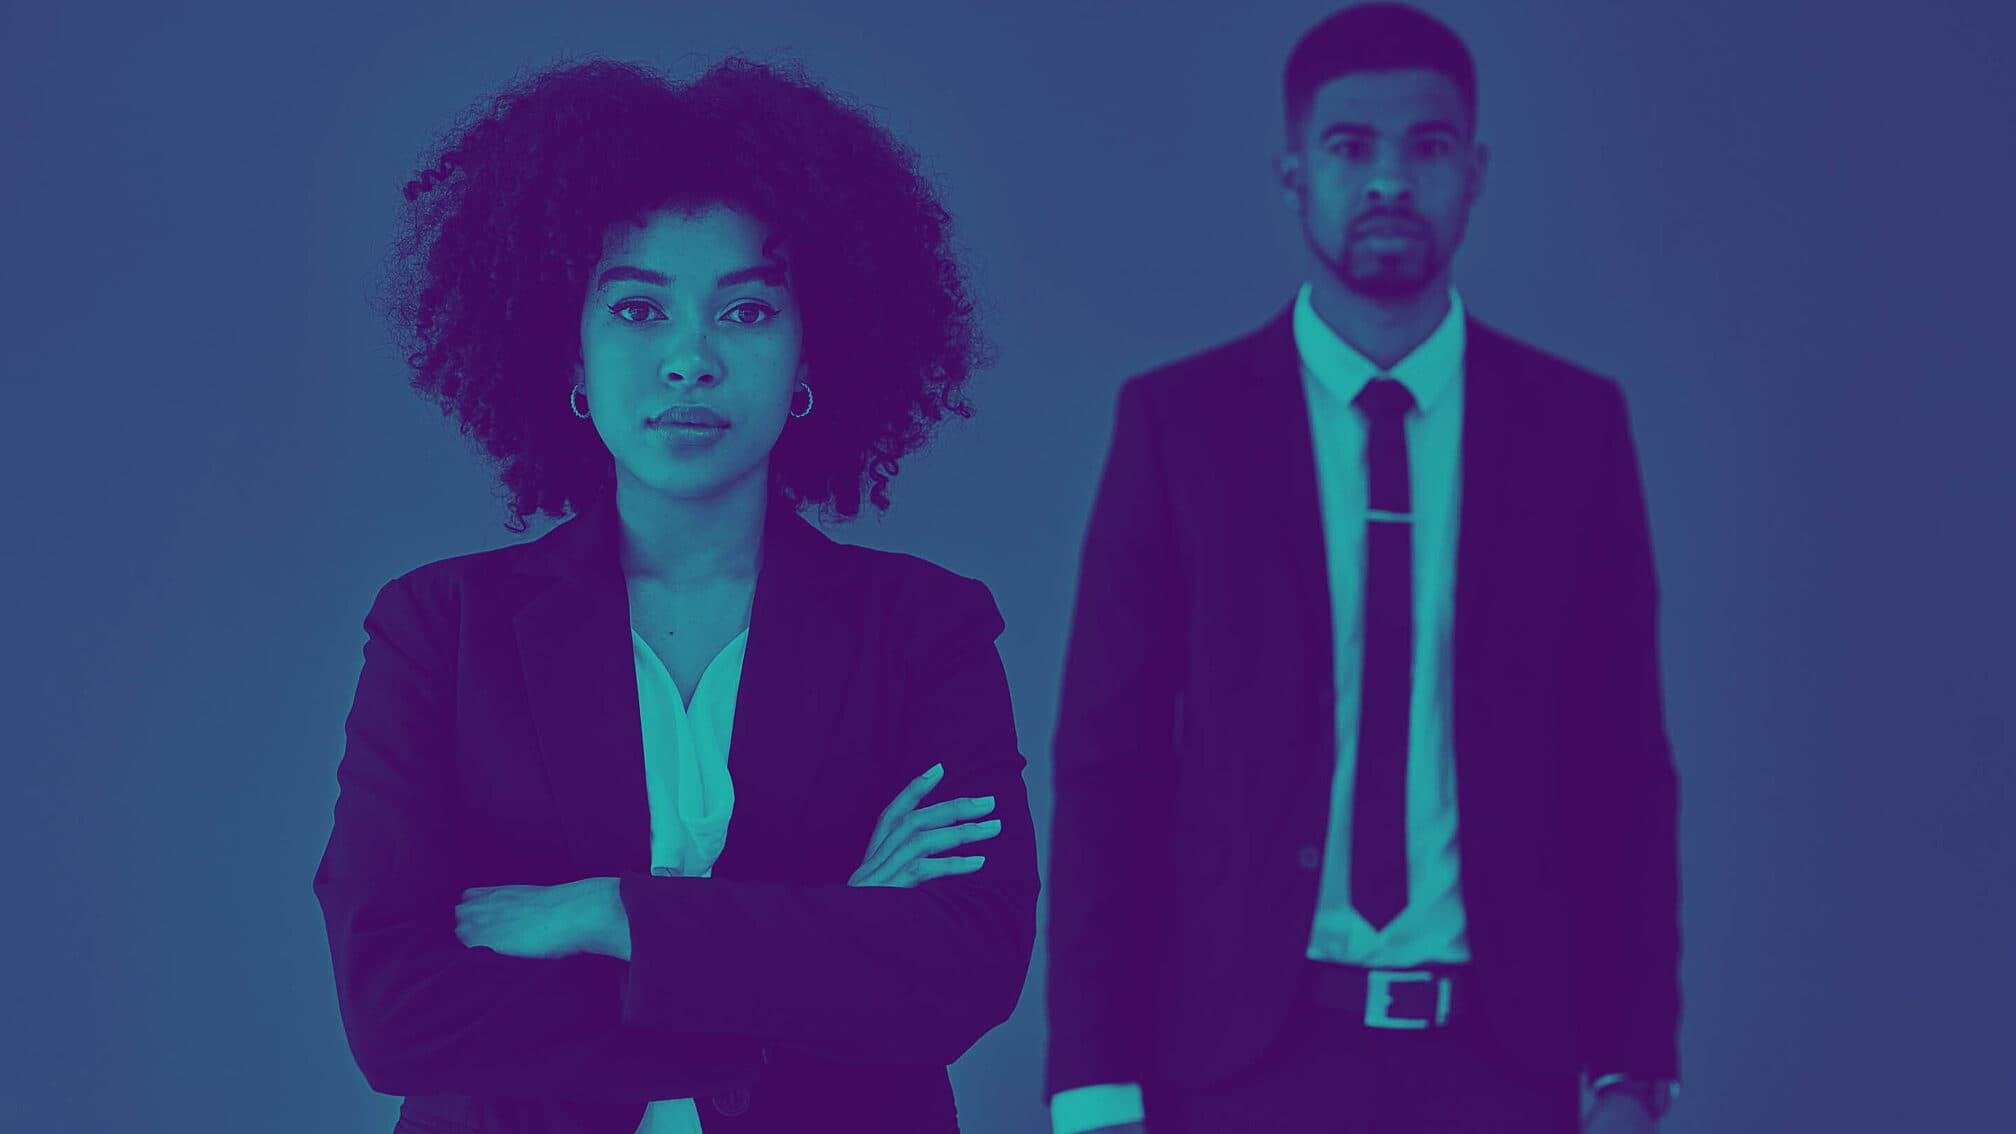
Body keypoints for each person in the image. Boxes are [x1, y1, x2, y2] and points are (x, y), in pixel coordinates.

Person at [312, 57, 1037, 1134]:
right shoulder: (439, 631)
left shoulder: (924, 631)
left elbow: (963, 974)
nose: (690, 359)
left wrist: (611, 915)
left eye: (744, 313)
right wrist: (820, 941)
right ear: (571, 357)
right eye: (640, 311)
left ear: (807, 361)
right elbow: (396, 1013)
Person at [1044, 5, 1681, 1132]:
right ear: (1294, 171)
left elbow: (1621, 763)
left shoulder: (1571, 430)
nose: (1390, 178)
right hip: (1241, 1065)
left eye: (1427, 146)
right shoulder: (1179, 427)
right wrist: (1095, 1086)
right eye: (1351, 147)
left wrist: (1629, 1068)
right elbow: (1111, 770)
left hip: (1503, 1061)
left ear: (1474, 172)